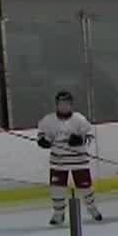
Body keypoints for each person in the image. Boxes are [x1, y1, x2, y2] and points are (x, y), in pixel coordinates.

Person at [37, 90, 101, 226]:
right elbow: (43, 135)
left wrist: (80, 139)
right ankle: (58, 214)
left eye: (66, 104)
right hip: (58, 162)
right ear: (56, 105)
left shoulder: (79, 119)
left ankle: (92, 209)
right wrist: (43, 141)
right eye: (61, 104)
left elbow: (89, 137)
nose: (63, 106)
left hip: (79, 161)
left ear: (71, 105)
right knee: (57, 189)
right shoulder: (48, 120)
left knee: (85, 188)